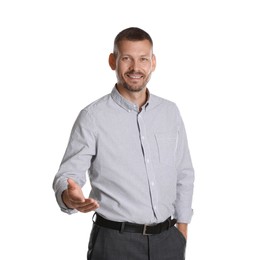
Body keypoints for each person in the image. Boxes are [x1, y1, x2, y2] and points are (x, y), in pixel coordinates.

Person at [53, 27, 194, 260]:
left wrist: (182, 231)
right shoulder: (92, 116)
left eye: (143, 59)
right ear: (112, 61)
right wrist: (70, 197)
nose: (135, 68)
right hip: (115, 243)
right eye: (126, 58)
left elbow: (184, 173)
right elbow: (67, 174)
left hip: (168, 241)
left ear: (153, 62)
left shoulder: (170, 112)